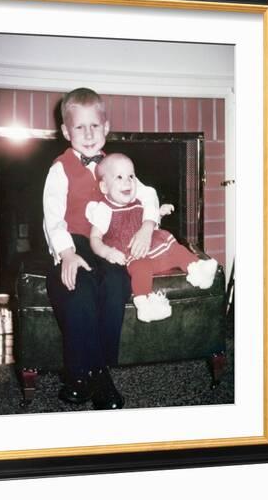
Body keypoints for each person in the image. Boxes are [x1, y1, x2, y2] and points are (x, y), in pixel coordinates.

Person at [43, 88, 159, 410]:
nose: (89, 133)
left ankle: (92, 372)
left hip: (109, 243)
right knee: (77, 287)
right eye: (80, 127)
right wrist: (66, 253)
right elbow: (52, 216)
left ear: (106, 128)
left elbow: (147, 194)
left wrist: (148, 225)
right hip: (75, 242)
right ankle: (91, 375)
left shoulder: (116, 165)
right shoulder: (60, 168)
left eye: (95, 125)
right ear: (66, 132)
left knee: (117, 283)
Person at [87, 153, 218, 322]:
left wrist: (159, 213)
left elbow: (147, 220)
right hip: (131, 252)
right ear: (104, 187)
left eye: (131, 176)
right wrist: (107, 252)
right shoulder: (104, 209)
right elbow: (95, 238)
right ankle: (145, 303)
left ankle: (197, 269)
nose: (127, 181)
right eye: (119, 177)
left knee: (176, 249)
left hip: (152, 248)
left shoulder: (138, 201)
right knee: (141, 268)